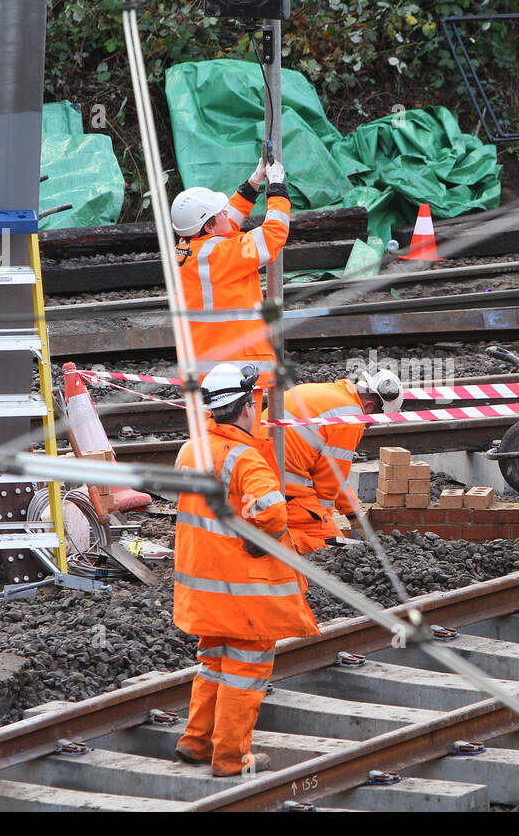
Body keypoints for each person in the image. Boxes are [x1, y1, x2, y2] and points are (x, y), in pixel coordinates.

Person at [172, 362, 319, 777]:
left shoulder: (190, 450)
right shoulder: (245, 457)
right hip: (244, 591)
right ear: (246, 407)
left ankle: (197, 742)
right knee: (245, 671)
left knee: (214, 661)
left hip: (204, 586)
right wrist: (259, 534)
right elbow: (272, 512)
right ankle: (231, 759)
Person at [171, 155, 291, 378]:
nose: (226, 212)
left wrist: (254, 183)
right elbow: (274, 234)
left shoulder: (189, 247)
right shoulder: (222, 254)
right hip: (236, 371)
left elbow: (225, 224)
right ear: (208, 227)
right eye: (221, 212)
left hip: (205, 366)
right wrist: (277, 187)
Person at [274, 367, 404, 553]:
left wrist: (353, 513)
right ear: (368, 407)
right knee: (330, 548)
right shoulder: (351, 421)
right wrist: (323, 521)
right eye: (374, 420)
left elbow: (335, 473)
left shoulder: (336, 394)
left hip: (263, 471)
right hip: (284, 487)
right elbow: (327, 486)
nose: (369, 427)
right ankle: (278, 548)